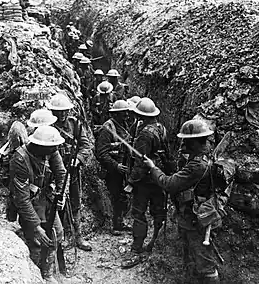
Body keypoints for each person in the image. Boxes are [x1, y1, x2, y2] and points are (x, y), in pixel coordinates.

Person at [144, 119, 220, 284]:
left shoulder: (197, 166)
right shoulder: (203, 157)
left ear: (193, 142)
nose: (183, 143)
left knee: (204, 262)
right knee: (190, 256)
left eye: (186, 140)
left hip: (195, 219)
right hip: (191, 216)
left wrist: (153, 168)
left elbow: (169, 184)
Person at [9, 125, 67, 284]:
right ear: (41, 146)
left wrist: (61, 193)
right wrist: (36, 226)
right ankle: (36, 276)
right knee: (36, 242)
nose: (56, 150)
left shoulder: (51, 151)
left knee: (57, 233)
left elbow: (61, 173)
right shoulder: (20, 159)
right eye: (53, 148)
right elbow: (22, 200)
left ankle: (48, 274)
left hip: (47, 200)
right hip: (30, 204)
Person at [122, 97, 173, 268]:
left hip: (145, 181)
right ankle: (155, 244)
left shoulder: (145, 133)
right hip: (159, 178)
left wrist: (131, 181)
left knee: (138, 213)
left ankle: (136, 249)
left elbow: (140, 161)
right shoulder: (161, 128)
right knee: (158, 212)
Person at [48, 93, 93, 251]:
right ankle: (65, 235)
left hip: (73, 170)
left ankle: (78, 236)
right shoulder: (48, 127)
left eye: (65, 111)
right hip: (55, 173)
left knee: (75, 202)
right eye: (58, 112)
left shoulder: (75, 124)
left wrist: (78, 159)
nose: (62, 115)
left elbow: (86, 146)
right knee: (60, 202)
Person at [95, 100, 131, 236]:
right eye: (123, 113)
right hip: (112, 171)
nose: (126, 115)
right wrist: (116, 166)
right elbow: (101, 153)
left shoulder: (123, 125)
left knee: (122, 196)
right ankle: (113, 225)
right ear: (116, 114)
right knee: (114, 196)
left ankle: (120, 222)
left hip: (122, 168)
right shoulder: (107, 128)